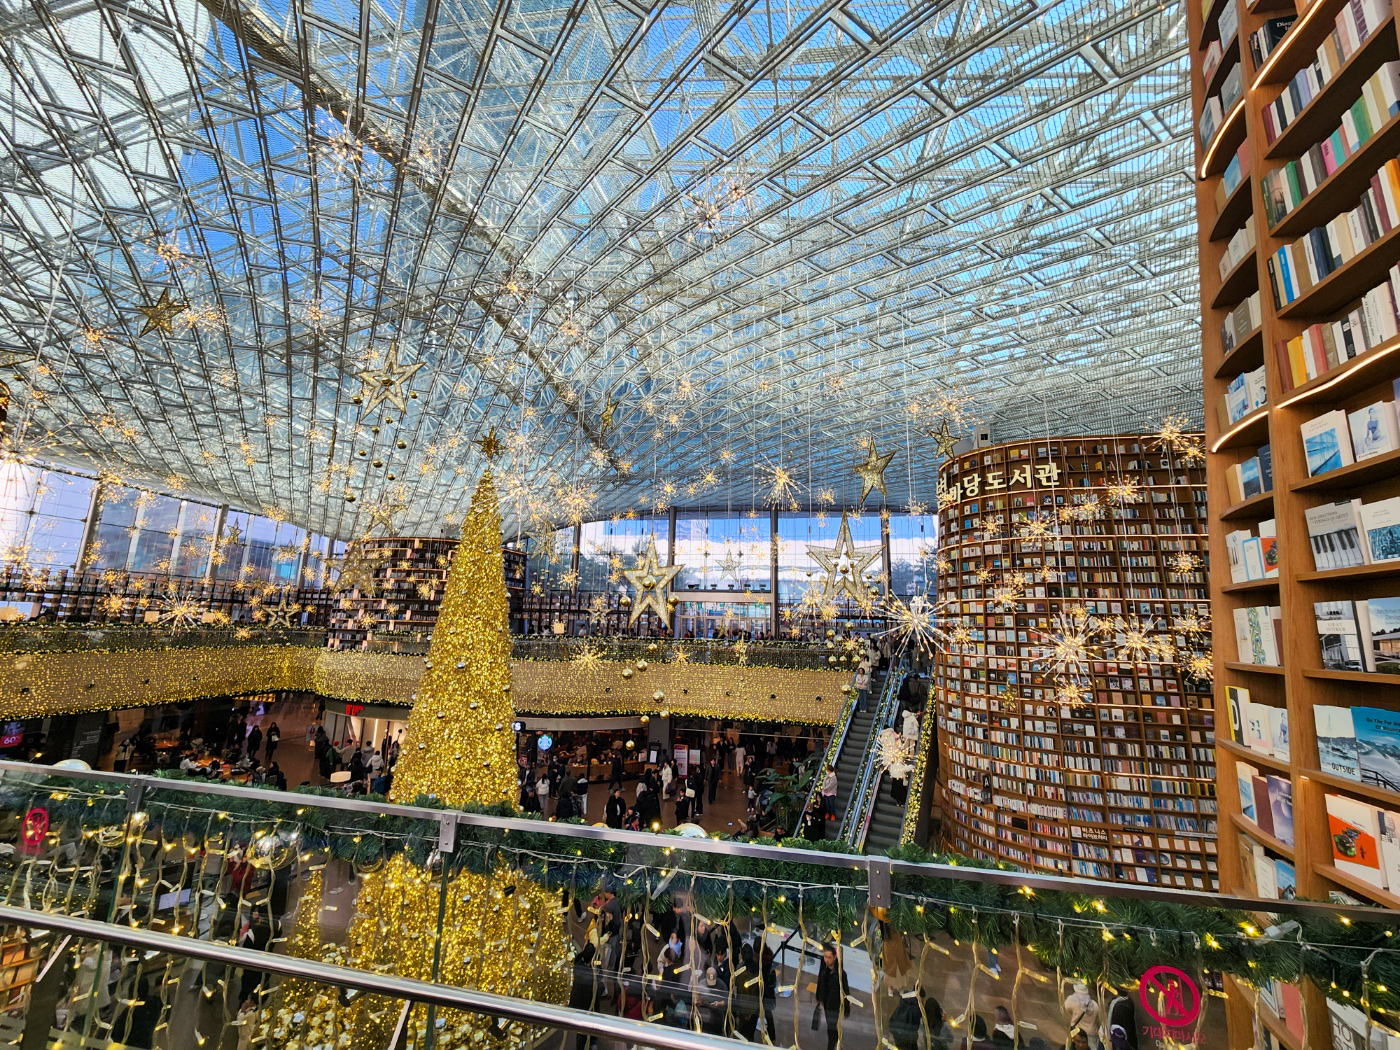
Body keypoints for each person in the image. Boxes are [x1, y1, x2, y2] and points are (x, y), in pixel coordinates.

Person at [813, 943, 849, 1050]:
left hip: (835, 1005)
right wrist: (819, 996)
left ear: (834, 957)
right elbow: (820, 980)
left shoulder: (841, 974)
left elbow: (845, 991)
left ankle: (833, 1045)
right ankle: (838, 1043)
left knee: (831, 1028)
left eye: (829, 957)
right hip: (826, 1002)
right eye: (825, 957)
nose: (827, 960)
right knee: (832, 1027)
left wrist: (846, 1007)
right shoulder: (824, 968)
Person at [1064, 983, 1101, 1050]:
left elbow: (1065, 1009)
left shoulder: (1072, 1001)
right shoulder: (1095, 1005)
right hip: (1091, 1034)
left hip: (1077, 1034)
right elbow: (1098, 1020)